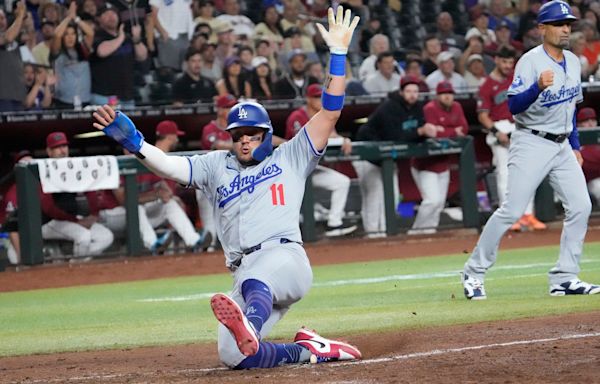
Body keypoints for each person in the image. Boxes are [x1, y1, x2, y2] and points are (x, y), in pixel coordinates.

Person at [93, 6, 362, 369]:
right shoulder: (217, 164)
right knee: (234, 356)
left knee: (255, 282)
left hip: (285, 261)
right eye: (238, 136)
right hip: (244, 270)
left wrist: (339, 55)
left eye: (252, 134)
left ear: (267, 134)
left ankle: (249, 323)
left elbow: (330, 112)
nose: (245, 141)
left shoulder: (291, 156)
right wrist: (137, 144)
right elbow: (172, 166)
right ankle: (310, 351)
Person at [462, 1, 600, 300]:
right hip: (532, 141)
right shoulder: (529, 61)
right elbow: (513, 106)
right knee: (512, 210)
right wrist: (536, 86)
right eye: (559, 23)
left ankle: (564, 277)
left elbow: (572, 109)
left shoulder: (574, 62)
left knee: (581, 206)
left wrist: (575, 145)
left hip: (562, 144)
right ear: (542, 28)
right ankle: (473, 272)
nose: (565, 29)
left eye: (568, 24)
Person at [353, 75, 439, 238]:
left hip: (387, 158)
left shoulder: (418, 107)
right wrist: (419, 132)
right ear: (401, 92)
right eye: (408, 91)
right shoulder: (389, 107)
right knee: (374, 195)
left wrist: (426, 133)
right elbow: (394, 136)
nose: (412, 95)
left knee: (392, 194)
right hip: (366, 154)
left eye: (415, 91)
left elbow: (416, 133)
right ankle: (373, 234)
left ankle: (386, 231)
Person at [477, 47, 546, 232]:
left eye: (510, 62)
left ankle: (527, 214)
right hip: (500, 128)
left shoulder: (516, 79)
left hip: (519, 126)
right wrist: (496, 131)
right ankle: (507, 218)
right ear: (497, 60)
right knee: (505, 175)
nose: (508, 66)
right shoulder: (486, 85)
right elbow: (483, 115)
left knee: (528, 173)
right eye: (505, 62)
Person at [285, 84, 357, 237]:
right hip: (292, 171)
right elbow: (303, 142)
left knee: (342, 182)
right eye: (316, 97)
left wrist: (344, 139)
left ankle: (334, 223)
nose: (320, 100)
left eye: (321, 97)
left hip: (312, 169)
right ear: (308, 99)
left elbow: (333, 136)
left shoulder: (325, 116)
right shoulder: (297, 116)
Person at [137, 120, 213, 252]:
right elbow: (130, 198)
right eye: (176, 136)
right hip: (136, 214)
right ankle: (154, 245)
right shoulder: (146, 157)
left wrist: (171, 196)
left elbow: (168, 192)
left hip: (156, 209)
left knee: (171, 203)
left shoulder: (171, 160)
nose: (177, 139)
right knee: (137, 208)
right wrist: (156, 194)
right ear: (171, 136)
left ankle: (195, 242)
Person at [41, 132, 114, 261]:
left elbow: (91, 191)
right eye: (57, 147)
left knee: (106, 236)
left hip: (71, 219)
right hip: (47, 221)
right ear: (49, 151)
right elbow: (48, 208)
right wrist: (77, 222)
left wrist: (94, 214)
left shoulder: (74, 167)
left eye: (64, 146)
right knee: (83, 236)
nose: (62, 150)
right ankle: (75, 269)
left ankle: (72, 263)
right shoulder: (42, 170)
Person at [408, 81, 467, 235]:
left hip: (443, 163)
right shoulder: (430, 109)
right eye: (443, 94)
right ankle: (416, 232)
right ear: (437, 95)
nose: (447, 96)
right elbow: (432, 134)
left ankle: (430, 232)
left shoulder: (457, 107)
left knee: (439, 203)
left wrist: (444, 131)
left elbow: (465, 129)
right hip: (424, 164)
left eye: (450, 93)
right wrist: (454, 131)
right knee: (431, 201)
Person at [89, 3, 148, 108]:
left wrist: (137, 40)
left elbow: (142, 56)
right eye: (106, 14)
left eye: (113, 14)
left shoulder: (128, 38)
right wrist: (121, 37)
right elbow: (101, 51)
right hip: (105, 96)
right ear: (99, 19)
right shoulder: (97, 36)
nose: (111, 17)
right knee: (108, 125)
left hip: (127, 96)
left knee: (127, 125)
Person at [50, 1, 94, 109]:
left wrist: (76, 19)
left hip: (85, 100)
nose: (70, 37)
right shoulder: (58, 52)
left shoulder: (83, 49)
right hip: (64, 101)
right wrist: (68, 18)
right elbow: (56, 34)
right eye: (66, 34)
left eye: (73, 34)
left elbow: (90, 33)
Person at [0, 2, 27, 112]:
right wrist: (20, 15)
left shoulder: (15, 36)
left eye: (2, 18)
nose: (1, 22)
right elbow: (8, 38)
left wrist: (21, 14)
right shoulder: (8, 37)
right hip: (2, 98)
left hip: (18, 96)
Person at [577, 108, 600, 204]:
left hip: (594, 180)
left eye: (593, 120)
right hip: (577, 182)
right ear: (578, 124)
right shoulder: (574, 140)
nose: (590, 123)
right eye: (586, 121)